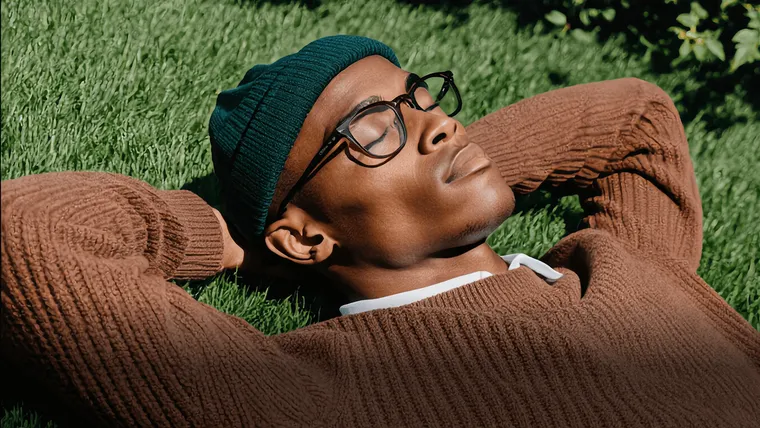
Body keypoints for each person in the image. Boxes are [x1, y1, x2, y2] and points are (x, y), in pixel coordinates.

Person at [1, 35, 758, 427]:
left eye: (419, 98)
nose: (440, 122)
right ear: (305, 239)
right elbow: (26, 229)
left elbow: (635, 116)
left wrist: (464, 169)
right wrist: (235, 234)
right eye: (371, 129)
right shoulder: (313, 398)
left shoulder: (624, 265)